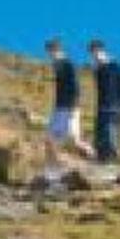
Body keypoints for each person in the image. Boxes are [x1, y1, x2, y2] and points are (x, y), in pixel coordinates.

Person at [43, 39, 88, 168]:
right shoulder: (58, 66)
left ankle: (95, 158)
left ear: (56, 50)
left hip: (69, 107)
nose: (50, 56)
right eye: (49, 53)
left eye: (51, 53)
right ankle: (53, 168)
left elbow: (75, 87)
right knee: (50, 139)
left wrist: (74, 108)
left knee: (74, 141)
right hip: (59, 108)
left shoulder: (67, 64)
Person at [88, 40, 120, 164]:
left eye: (96, 52)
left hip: (114, 109)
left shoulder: (116, 67)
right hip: (101, 109)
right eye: (92, 53)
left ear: (102, 51)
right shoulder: (98, 71)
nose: (95, 55)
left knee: (111, 139)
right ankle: (102, 164)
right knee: (100, 141)